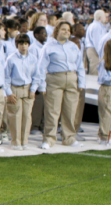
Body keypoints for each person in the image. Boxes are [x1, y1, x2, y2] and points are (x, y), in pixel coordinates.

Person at [37, 21, 86, 149]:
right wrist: (41, 85)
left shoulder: (73, 46)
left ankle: (69, 138)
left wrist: (81, 82)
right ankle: (49, 139)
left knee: (70, 111)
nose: (67, 32)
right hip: (54, 79)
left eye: (68, 30)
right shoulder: (48, 46)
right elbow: (41, 67)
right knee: (53, 111)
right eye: (64, 29)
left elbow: (80, 66)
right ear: (57, 30)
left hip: (71, 79)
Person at [5, 34, 40, 150]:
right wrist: (9, 93)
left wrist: (33, 89)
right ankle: (15, 142)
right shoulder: (11, 59)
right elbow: (6, 78)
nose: (23, 46)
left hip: (28, 88)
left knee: (27, 116)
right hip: (15, 88)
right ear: (17, 45)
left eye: (25, 44)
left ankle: (24, 140)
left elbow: (36, 75)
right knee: (15, 116)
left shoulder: (33, 58)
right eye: (21, 44)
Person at [84, 9, 109, 74]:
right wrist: (102, 54)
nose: (106, 18)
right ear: (100, 17)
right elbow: (98, 42)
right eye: (105, 16)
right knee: (95, 70)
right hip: (94, 50)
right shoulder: (97, 26)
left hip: (94, 50)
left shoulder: (97, 25)